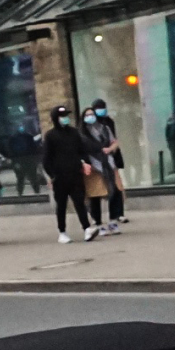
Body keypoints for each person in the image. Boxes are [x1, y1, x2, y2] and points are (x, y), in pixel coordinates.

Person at [40, 105, 98, 243]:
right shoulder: (50, 136)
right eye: (62, 116)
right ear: (55, 118)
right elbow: (46, 158)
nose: (65, 118)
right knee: (61, 205)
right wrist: (52, 175)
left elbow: (82, 150)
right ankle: (62, 231)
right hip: (60, 177)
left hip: (75, 174)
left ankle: (87, 228)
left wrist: (85, 162)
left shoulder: (74, 133)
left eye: (66, 115)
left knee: (80, 202)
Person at [86, 101, 127, 233]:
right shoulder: (83, 132)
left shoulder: (105, 127)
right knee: (96, 194)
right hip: (94, 166)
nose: (91, 116)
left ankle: (113, 220)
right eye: (88, 114)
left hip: (108, 163)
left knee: (115, 190)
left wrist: (110, 149)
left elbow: (114, 141)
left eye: (92, 114)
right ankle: (98, 222)